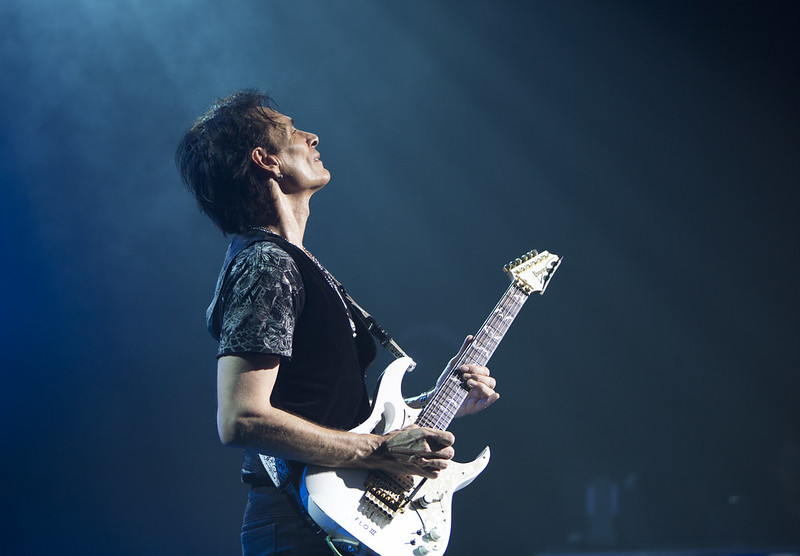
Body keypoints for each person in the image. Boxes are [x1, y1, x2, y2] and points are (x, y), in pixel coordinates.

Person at [175, 89, 500, 555]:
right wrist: (382, 452)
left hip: (339, 521)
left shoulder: (295, 262)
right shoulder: (266, 262)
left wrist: (441, 404)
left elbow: (330, 412)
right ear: (266, 161)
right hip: (298, 525)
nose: (312, 136)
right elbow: (241, 417)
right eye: (292, 131)